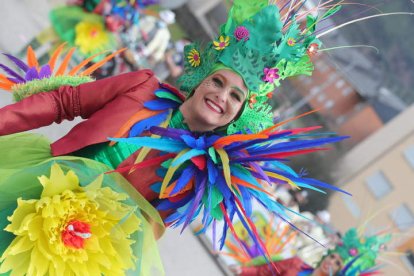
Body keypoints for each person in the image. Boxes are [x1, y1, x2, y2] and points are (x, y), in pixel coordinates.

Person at [0, 0, 354, 274]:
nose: (221, 96)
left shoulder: (208, 172)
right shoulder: (142, 87)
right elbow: (64, 102)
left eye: (235, 96)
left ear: (240, 114)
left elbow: (149, 227)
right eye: (218, 81)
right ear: (201, 80)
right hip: (34, 186)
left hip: (78, 245)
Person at [232, 227, 391, 276]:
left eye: (337, 263)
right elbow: (263, 271)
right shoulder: (296, 264)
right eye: (333, 257)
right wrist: (241, 270)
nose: (331, 262)